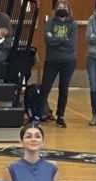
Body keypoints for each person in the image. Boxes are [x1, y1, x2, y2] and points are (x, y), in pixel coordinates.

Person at [40, 0, 77, 128]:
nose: (61, 9)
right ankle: (40, 113)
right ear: (56, 9)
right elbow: (48, 40)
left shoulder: (72, 24)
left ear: (68, 9)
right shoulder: (50, 22)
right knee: (45, 88)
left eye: (64, 7)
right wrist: (62, 40)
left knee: (63, 89)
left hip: (68, 61)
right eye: (59, 7)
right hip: (52, 60)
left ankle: (60, 116)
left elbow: (71, 43)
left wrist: (56, 39)